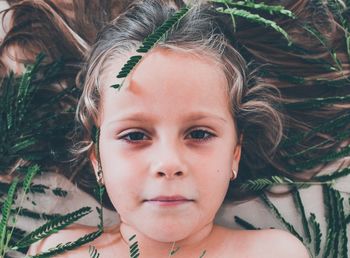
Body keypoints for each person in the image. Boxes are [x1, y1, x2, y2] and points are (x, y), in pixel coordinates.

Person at [26, 0, 313, 257]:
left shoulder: (272, 253)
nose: (169, 163)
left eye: (199, 134)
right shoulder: (58, 251)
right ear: (97, 158)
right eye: (135, 135)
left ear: (234, 154)